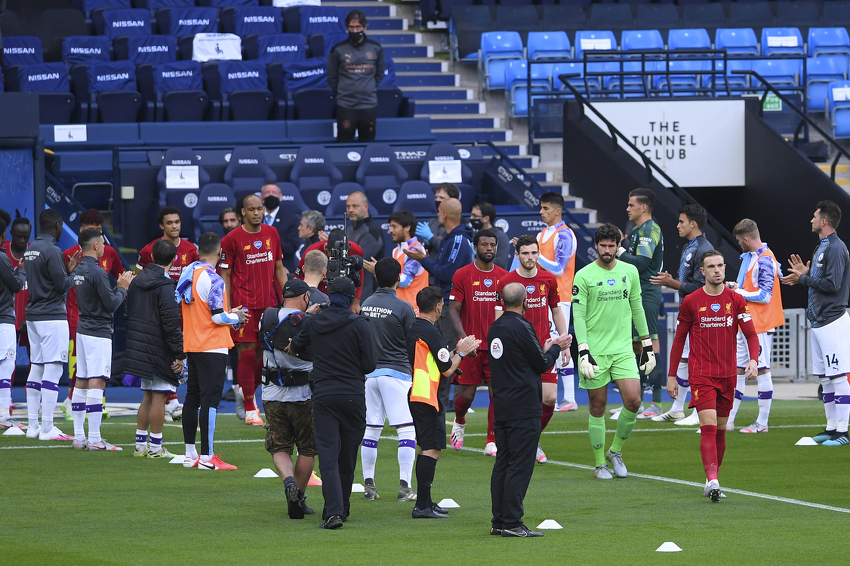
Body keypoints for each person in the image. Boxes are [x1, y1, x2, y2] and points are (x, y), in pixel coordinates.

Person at [668, 250, 759, 501]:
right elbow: (679, 340)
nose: (717, 270)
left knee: (720, 430)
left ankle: (714, 479)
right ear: (703, 271)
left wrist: (753, 359)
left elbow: (751, 334)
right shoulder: (691, 301)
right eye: (711, 266)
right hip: (702, 375)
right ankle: (712, 479)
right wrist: (672, 375)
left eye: (720, 265)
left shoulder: (736, 300)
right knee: (708, 427)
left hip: (728, 375)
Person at [289, 276, 376, 529]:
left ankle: (334, 512)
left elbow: (297, 345)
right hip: (353, 395)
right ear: (350, 299)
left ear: (328, 295)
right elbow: (370, 364)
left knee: (328, 455)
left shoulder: (315, 323)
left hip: (324, 394)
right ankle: (342, 508)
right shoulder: (360, 324)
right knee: (347, 456)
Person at [573, 223, 655, 479]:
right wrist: (583, 350)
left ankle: (615, 451)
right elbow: (579, 315)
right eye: (603, 245)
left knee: (634, 400)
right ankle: (599, 464)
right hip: (594, 351)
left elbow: (638, 308)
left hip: (622, 350)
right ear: (596, 246)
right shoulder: (583, 275)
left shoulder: (629, 272)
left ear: (619, 246)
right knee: (597, 406)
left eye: (612, 245)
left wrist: (647, 343)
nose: (607, 250)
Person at [488, 282, 570, 537]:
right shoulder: (522, 327)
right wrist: (557, 346)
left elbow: (521, 360)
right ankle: (512, 522)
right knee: (520, 465)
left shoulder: (495, 328)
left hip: (502, 404)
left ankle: (500, 521)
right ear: (525, 302)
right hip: (523, 406)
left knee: (503, 462)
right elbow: (543, 363)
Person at [177, 232, 248, 470]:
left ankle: (190, 454)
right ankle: (207, 457)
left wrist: (229, 315)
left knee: (193, 397)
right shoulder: (214, 278)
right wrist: (236, 316)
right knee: (210, 400)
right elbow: (218, 317)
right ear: (220, 252)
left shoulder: (189, 273)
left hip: (193, 343)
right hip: (212, 345)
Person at [781, 200, 850, 446]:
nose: (810, 220)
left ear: (823, 221)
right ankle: (831, 428)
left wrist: (804, 278)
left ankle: (843, 431)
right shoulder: (821, 247)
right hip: (819, 320)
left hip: (833, 319)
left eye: (814, 216)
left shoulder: (836, 248)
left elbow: (833, 285)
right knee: (825, 378)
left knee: (839, 376)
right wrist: (805, 276)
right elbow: (819, 281)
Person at [407, 286, 480, 518]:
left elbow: (436, 361)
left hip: (419, 392)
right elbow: (447, 369)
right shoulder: (430, 331)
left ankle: (425, 502)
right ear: (438, 307)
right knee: (432, 450)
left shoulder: (415, 327)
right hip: (427, 396)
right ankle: (422, 506)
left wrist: (454, 353)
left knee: (426, 448)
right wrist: (462, 352)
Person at [496, 235, 568, 464]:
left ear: (539, 254)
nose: (530, 257)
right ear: (517, 255)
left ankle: (532, 439)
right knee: (522, 401)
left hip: (544, 348)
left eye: (534, 253)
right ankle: (516, 441)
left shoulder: (549, 279)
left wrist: (564, 342)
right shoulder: (506, 281)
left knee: (550, 398)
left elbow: (556, 311)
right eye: (525, 253)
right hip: (517, 351)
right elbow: (500, 316)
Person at [220, 194, 287, 426]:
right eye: (252, 209)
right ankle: (250, 408)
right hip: (243, 308)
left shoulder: (272, 234)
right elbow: (225, 275)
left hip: (269, 306)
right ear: (242, 213)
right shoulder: (231, 239)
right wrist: (228, 308)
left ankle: (244, 390)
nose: (257, 213)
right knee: (247, 353)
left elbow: (279, 267)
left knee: (266, 356)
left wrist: (288, 298)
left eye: (260, 209)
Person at [259, 278, 318, 519]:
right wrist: (312, 317)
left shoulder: (268, 315)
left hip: (271, 392)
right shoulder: (310, 322)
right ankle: (299, 498)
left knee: (280, 446)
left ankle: (289, 483)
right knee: (306, 448)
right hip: (303, 394)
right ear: (305, 298)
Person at [359, 258, 418, 502]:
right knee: (406, 429)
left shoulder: (365, 305)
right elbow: (412, 343)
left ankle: (369, 485)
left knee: (372, 428)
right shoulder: (403, 307)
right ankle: (405, 486)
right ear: (398, 277)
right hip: (397, 374)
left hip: (369, 375)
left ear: (376, 277)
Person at [650, 203, 714, 426]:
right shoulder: (691, 246)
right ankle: (678, 408)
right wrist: (674, 281)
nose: (677, 225)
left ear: (693, 224)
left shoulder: (704, 249)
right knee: (686, 359)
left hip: (702, 313)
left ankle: (699, 410)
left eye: (681, 222)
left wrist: (672, 283)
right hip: (688, 310)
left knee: (697, 360)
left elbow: (702, 287)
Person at [70, 228, 133, 451]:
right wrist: (123, 288)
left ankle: (79, 437)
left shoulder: (78, 269)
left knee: (82, 379)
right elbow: (111, 304)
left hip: (84, 328)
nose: (106, 247)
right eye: (103, 243)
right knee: (97, 381)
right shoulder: (97, 272)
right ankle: (95, 439)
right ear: (95, 245)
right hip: (98, 332)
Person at [136, 205, 199, 421]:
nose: (174, 226)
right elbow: (139, 279)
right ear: (161, 225)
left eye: (177, 222)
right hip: (157, 313)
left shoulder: (192, 250)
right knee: (167, 357)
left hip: (185, 312)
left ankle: (173, 400)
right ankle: (173, 401)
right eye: (169, 223)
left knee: (180, 358)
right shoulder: (148, 251)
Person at [23, 210, 81, 440]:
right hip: (51, 316)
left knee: (36, 367)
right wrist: (71, 273)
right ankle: (47, 427)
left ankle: (32, 426)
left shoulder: (30, 249)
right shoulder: (53, 250)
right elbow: (61, 285)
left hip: (33, 314)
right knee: (54, 368)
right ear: (57, 225)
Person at [447, 228, 506, 457]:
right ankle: (459, 419)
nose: (489, 248)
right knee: (467, 396)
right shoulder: (462, 275)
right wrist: (464, 339)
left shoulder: (504, 276)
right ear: (475, 247)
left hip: (496, 347)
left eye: (492, 245)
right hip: (470, 347)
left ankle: (491, 441)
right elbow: (454, 309)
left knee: (496, 394)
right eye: (484, 245)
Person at [62, 209, 125, 420]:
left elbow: (121, 274)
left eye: (100, 230)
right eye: (94, 232)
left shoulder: (108, 255)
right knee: (87, 370)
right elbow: (111, 301)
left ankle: (85, 411)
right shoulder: (72, 256)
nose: (100, 236)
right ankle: (93, 433)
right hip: (85, 320)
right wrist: (123, 289)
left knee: (86, 372)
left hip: (88, 321)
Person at [126, 239, 185, 459]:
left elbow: (128, 313)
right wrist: (178, 353)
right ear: (174, 259)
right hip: (159, 347)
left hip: (140, 345)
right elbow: (171, 321)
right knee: (160, 396)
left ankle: (140, 445)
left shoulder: (137, 280)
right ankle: (155, 448)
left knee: (148, 396)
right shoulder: (166, 285)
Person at [725, 219, 784, 434]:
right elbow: (750, 287)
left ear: (747, 239)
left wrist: (737, 293)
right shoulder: (751, 257)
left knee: (762, 370)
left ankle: (762, 423)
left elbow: (765, 295)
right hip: (746, 323)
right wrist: (736, 287)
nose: (739, 244)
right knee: (738, 370)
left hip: (760, 325)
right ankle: (729, 420)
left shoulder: (766, 259)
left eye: (740, 240)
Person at [615, 188, 665, 418]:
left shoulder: (649, 230)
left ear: (643, 207)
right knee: (637, 348)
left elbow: (642, 264)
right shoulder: (637, 230)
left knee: (649, 348)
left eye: (631, 204)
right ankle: (638, 403)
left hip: (646, 294)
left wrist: (620, 252)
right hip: (637, 294)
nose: (627, 208)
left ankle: (656, 403)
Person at [404, 198, 472, 346]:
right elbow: (443, 270)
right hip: (444, 303)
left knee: (453, 347)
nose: (437, 214)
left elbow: (447, 274)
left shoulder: (458, 240)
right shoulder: (449, 239)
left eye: (439, 211)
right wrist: (427, 260)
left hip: (451, 304)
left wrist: (424, 260)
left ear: (445, 214)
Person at [534, 192, 578, 413]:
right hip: (542, 296)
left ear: (558, 210)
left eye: (545, 208)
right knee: (547, 342)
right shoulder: (543, 234)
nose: (541, 212)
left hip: (560, 298)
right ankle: (552, 394)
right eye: (541, 208)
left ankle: (569, 397)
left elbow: (559, 269)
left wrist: (534, 256)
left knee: (559, 341)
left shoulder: (565, 235)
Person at [327, 10, 385, 143]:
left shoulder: (375, 48)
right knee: (344, 144)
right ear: (347, 28)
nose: (354, 30)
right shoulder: (338, 49)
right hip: (346, 105)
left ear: (365, 27)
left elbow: (379, 74)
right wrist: (345, 91)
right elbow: (332, 77)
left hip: (368, 104)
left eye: (358, 27)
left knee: (368, 144)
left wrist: (367, 88)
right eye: (351, 27)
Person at [294, 229, 365, 313]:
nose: (337, 259)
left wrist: (356, 301)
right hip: (317, 296)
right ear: (327, 248)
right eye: (334, 255)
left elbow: (359, 271)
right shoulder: (312, 251)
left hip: (343, 295)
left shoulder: (356, 250)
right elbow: (298, 278)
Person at [0, 213, 26, 429]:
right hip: (4, 318)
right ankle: (3, 414)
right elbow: (16, 286)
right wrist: (22, 271)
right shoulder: (3, 257)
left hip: (11, 317)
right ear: (5, 235)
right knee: (6, 365)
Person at [382, 210, 427, 314]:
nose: (390, 230)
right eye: (390, 226)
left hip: (415, 311)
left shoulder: (416, 249)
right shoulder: (396, 251)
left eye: (394, 226)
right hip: (399, 309)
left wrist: (381, 273)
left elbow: (405, 281)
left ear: (407, 227)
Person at [345, 191, 385, 300]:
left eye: (355, 206)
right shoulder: (349, 230)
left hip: (368, 294)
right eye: (348, 206)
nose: (351, 210)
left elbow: (359, 260)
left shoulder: (372, 230)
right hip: (352, 291)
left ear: (366, 207)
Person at [5, 216, 31, 367]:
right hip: (8, 315)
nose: (22, 240)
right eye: (19, 236)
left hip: (29, 316)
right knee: (7, 361)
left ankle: (33, 391)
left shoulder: (35, 253)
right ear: (11, 233)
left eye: (25, 237)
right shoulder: (3, 253)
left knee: (35, 360)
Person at [261, 183, 301, 273]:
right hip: (258, 268)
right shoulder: (254, 218)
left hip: (284, 268)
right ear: (261, 196)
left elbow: (292, 247)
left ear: (280, 196)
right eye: (267, 192)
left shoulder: (291, 219)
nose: (270, 195)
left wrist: (268, 244)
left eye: (274, 192)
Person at [416, 183, 461, 259]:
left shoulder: (458, 222)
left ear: (452, 200)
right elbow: (430, 250)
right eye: (436, 197)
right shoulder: (434, 220)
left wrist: (431, 238)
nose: (437, 200)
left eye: (441, 197)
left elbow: (449, 250)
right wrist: (428, 243)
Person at [471, 201, 512, 270]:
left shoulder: (501, 237)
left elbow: (500, 263)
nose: (471, 218)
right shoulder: (473, 236)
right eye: (471, 215)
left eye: (475, 216)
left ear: (486, 218)